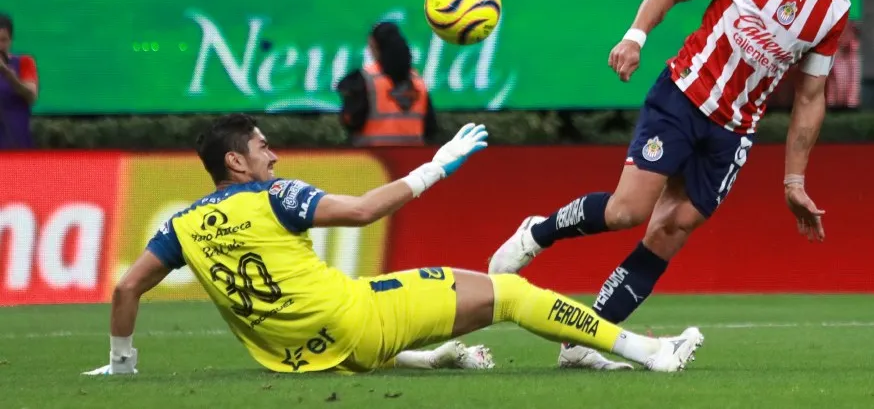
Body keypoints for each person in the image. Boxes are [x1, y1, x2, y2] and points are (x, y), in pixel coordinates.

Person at [489, 0, 857, 370]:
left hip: (733, 132)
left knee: (672, 228)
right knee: (627, 211)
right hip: (683, 97)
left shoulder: (834, 7)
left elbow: (810, 97)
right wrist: (634, 38)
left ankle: (583, 340)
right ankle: (537, 232)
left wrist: (794, 180)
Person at [83, 114, 704, 376]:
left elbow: (126, 287)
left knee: (366, 302)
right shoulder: (272, 195)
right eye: (263, 147)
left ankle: (433, 358)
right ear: (236, 163)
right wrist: (436, 166)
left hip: (304, 357)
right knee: (511, 292)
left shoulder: (181, 226)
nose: (274, 155)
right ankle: (651, 352)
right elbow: (361, 211)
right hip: (359, 323)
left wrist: (122, 363)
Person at [337, 21, 437, 146]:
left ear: (374, 46)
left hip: (373, 156)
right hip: (412, 156)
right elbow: (430, 127)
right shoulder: (418, 81)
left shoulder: (365, 79)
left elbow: (352, 121)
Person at [0, 13, 39, 149]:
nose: (0, 46)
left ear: (11, 40)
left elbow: (31, 96)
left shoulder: (24, 62)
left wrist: (9, 76)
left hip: (18, 144)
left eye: (3, 40)